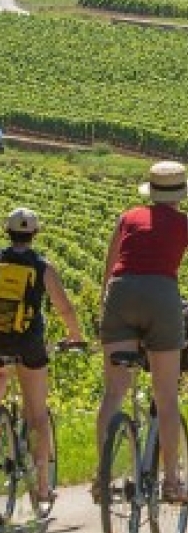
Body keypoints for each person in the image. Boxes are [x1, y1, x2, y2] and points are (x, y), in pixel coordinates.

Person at [95, 160, 188, 503]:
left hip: (119, 297)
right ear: (182, 193)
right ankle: (170, 483)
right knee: (165, 397)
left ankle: (101, 477)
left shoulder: (126, 219)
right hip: (162, 298)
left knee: (113, 393)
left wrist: (104, 316)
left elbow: (108, 276)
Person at [0, 207, 85, 503]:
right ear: (34, 234)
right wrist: (75, 336)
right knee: (36, 413)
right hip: (29, 343)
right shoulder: (42, 266)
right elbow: (64, 308)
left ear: (7, 232)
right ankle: (42, 488)